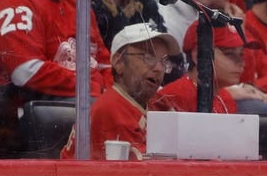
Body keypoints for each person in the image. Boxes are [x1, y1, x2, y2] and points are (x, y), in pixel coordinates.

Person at [60, 22, 179, 160]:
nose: (159, 68)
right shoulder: (110, 111)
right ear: (118, 62)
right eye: (148, 57)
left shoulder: (156, 102)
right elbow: (147, 174)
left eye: (164, 61)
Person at [148, 18, 248, 113]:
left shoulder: (226, 98)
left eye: (242, 54)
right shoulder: (171, 98)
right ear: (199, 54)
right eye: (230, 54)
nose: (241, 63)